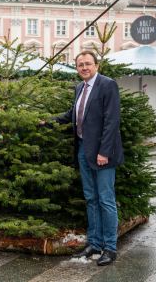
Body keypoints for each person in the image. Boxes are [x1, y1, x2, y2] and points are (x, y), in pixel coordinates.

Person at [55, 51, 123, 266]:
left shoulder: (107, 85)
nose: (84, 67)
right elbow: (72, 115)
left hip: (103, 152)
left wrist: (104, 152)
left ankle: (110, 248)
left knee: (105, 199)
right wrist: (47, 121)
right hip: (83, 149)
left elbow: (112, 121)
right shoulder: (80, 88)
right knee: (91, 198)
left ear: (96, 65)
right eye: (80, 65)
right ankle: (94, 243)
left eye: (87, 64)